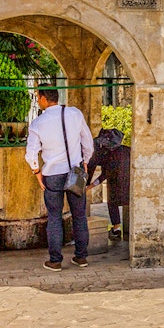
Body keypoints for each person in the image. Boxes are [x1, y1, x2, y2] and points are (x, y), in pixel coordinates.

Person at [25, 85, 94, 272]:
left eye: (38, 97)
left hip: (52, 174)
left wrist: (37, 173)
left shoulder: (38, 123)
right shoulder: (75, 114)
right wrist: (85, 162)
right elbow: (87, 142)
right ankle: (81, 257)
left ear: (44, 99)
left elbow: (30, 154)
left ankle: (55, 261)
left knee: (54, 217)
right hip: (75, 171)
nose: (38, 101)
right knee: (79, 216)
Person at [86, 128, 130, 241]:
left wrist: (89, 186)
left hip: (115, 186)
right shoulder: (128, 151)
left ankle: (116, 228)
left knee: (112, 204)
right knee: (126, 203)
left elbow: (103, 175)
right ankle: (124, 228)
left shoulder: (108, 155)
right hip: (130, 185)